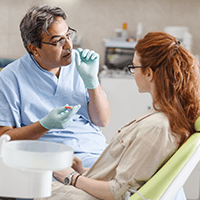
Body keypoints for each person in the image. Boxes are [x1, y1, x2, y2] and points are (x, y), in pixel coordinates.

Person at [35, 31, 200, 200]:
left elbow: (117, 192)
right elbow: (130, 175)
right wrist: (84, 172)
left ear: (149, 74)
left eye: (134, 67)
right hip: (102, 185)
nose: (133, 72)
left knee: (44, 191)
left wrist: (72, 178)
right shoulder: (165, 116)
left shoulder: (158, 127)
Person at [0, 4, 110, 169]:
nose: (68, 46)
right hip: (52, 161)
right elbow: (4, 139)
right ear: (34, 49)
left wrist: (92, 82)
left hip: (96, 153)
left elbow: (102, 120)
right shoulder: (10, 78)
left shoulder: (79, 66)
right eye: (58, 41)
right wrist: (44, 125)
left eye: (68, 35)